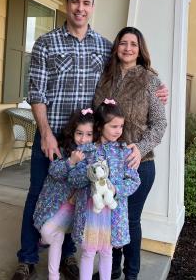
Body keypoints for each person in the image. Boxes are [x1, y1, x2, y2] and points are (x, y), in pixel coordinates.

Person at [12, 0, 167, 280]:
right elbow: (36, 93)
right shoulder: (47, 43)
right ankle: (28, 258)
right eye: (74, 2)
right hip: (53, 137)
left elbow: (132, 65)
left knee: (79, 197)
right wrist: (44, 132)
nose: (80, 8)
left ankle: (69, 256)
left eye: (86, 3)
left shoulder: (103, 46)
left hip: (85, 143)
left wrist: (158, 86)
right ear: (67, 4)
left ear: (92, 7)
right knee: (38, 194)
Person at [93, 27, 167, 280]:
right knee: (109, 220)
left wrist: (141, 147)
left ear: (140, 49)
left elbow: (159, 125)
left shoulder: (150, 80)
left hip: (139, 164)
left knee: (130, 221)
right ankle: (110, 272)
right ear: (116, 47)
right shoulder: (105, 79)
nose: (127, 48)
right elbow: (96, 119)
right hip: (107, 163)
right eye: (123, 43)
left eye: (133, 44)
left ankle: (131, 275)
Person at [68, 101, 141, 280]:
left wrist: (115, 189)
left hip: (112, 215)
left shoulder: (124, 152)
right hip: (90, 212)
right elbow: (73, 179)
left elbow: (134, 180)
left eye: (121, 126)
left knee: (107, 252)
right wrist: (90, 175)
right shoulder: (88, 151)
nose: (119, 130)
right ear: (100, 126)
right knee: (88, 252)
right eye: (114, 126)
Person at [33, 109, 94, 280]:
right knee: (46, 233)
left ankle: (53, 276)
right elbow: (54, 171)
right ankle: (44, 246)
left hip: (75, 206)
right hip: (57, 203)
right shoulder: (65, 149)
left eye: (89, 134)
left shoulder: (94, 154)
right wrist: (71, 162)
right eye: (79, 133)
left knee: (57, 237)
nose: (83, 139)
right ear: (73, 132)